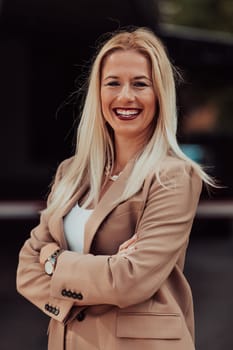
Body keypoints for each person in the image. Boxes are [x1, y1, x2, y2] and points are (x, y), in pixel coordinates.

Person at [16, 27, 214, 350]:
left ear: (159, 94)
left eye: (140, 84)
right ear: (98, 93)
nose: (126, 97)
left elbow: (130, 280)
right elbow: (26, 268)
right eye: (113, 83)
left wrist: (54, 262)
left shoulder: (173, 176)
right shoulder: (71, 172)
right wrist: (102, 274)